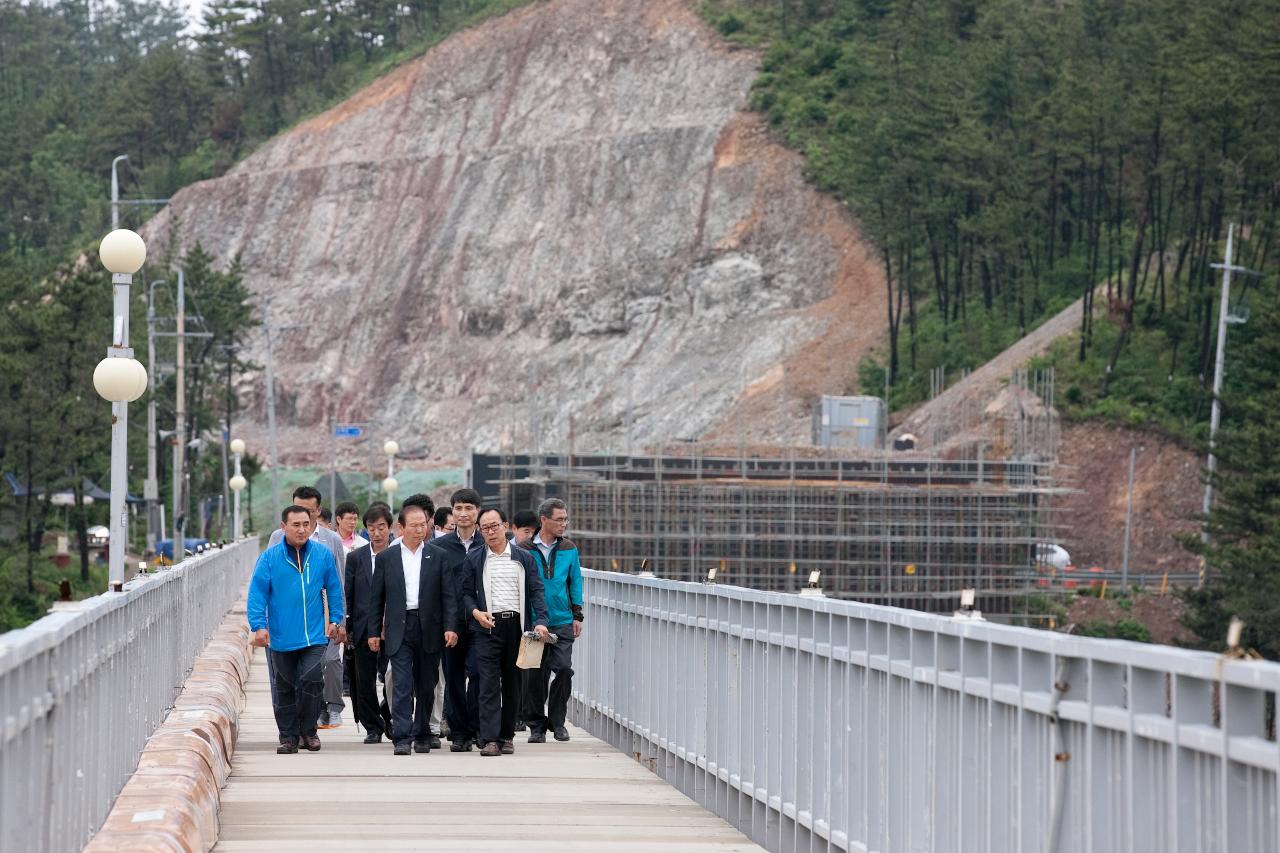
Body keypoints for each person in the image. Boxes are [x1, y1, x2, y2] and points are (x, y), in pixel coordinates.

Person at [248, 505, 345, 754]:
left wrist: (336, 620)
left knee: (312, 680)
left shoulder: (322, 555)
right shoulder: (269, 558)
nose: (302, 529)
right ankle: (288, 737)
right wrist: (259, 626)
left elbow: (334, 589)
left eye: (306, 524)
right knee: (285, 687)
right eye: (296, 525)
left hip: (314, 636)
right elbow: (257, 593)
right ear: (283, 528)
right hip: (281, 637)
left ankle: (309, 731)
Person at [459, 506, 549, 757]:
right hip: (487, 626)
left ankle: (506, 736)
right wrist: (476, 612)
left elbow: (537, 592)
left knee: (513, 684)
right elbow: (465, 593)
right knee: (488, 683)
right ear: (480, 530)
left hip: (517, 627)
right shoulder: (475, 558)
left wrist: (541, 620)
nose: (490, 531)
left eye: (494, 526)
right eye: (485, 527)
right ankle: (489, 739)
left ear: (506, 526)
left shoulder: (524, 558)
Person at [370, 504, 459, 755]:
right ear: (401, 527)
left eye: (424, 525)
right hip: (399, 626)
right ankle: (401, 736)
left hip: (429, 626)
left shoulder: (437, 555)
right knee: (400, 683)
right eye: (415, 525)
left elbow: (448, 596)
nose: (420, 530)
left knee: (426, 683)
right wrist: (373, 632)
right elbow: (377, 598)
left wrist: (451, 627)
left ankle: (422, 732)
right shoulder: (387, 557)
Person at [268, 486, 348, 729]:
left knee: (324, 666)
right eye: (297, 510)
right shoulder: (276, 538)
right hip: (286, 620)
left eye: (308, 511)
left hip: (321, 617)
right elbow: (266, 582)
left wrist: (341, 620)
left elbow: (338, 583)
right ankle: (291, 726)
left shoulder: (331, 540)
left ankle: (323, 713)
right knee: (285, 677)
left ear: (318, 511)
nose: (302, 517)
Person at [523, 498, 584, 743]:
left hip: (562, 619)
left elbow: (575, 581)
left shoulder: (569, 548)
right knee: (535, 675)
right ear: (544, 520)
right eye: (559, 519)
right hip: (533, 620)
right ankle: (536, 726)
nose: (563, 524)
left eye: (565, 519)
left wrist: (577, 614)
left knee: (564, 670)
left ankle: (558, 721)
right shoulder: (524, 549)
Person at [431, 488, 487, 751]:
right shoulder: (439, 547)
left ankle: (476, 726)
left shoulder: (488, 544)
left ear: (478, 511)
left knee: (478, 673)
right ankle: (460, 731)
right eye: (458, 508)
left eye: (469, 508)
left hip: (482, 622)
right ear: (451, 511)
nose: (463, 514)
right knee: (452, 677)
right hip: (450, 624)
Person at [345, 503, 394, 743]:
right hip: (364, 627)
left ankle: (388, 715)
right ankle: (373, 727)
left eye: (381, 527)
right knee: (364, 681)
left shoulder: (399, 553)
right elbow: (350, 593)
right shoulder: (356, 558)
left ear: (390, 527)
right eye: (371, 528)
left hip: (393, 626)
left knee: (393, 678)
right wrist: (348, 627)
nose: (376, 533)